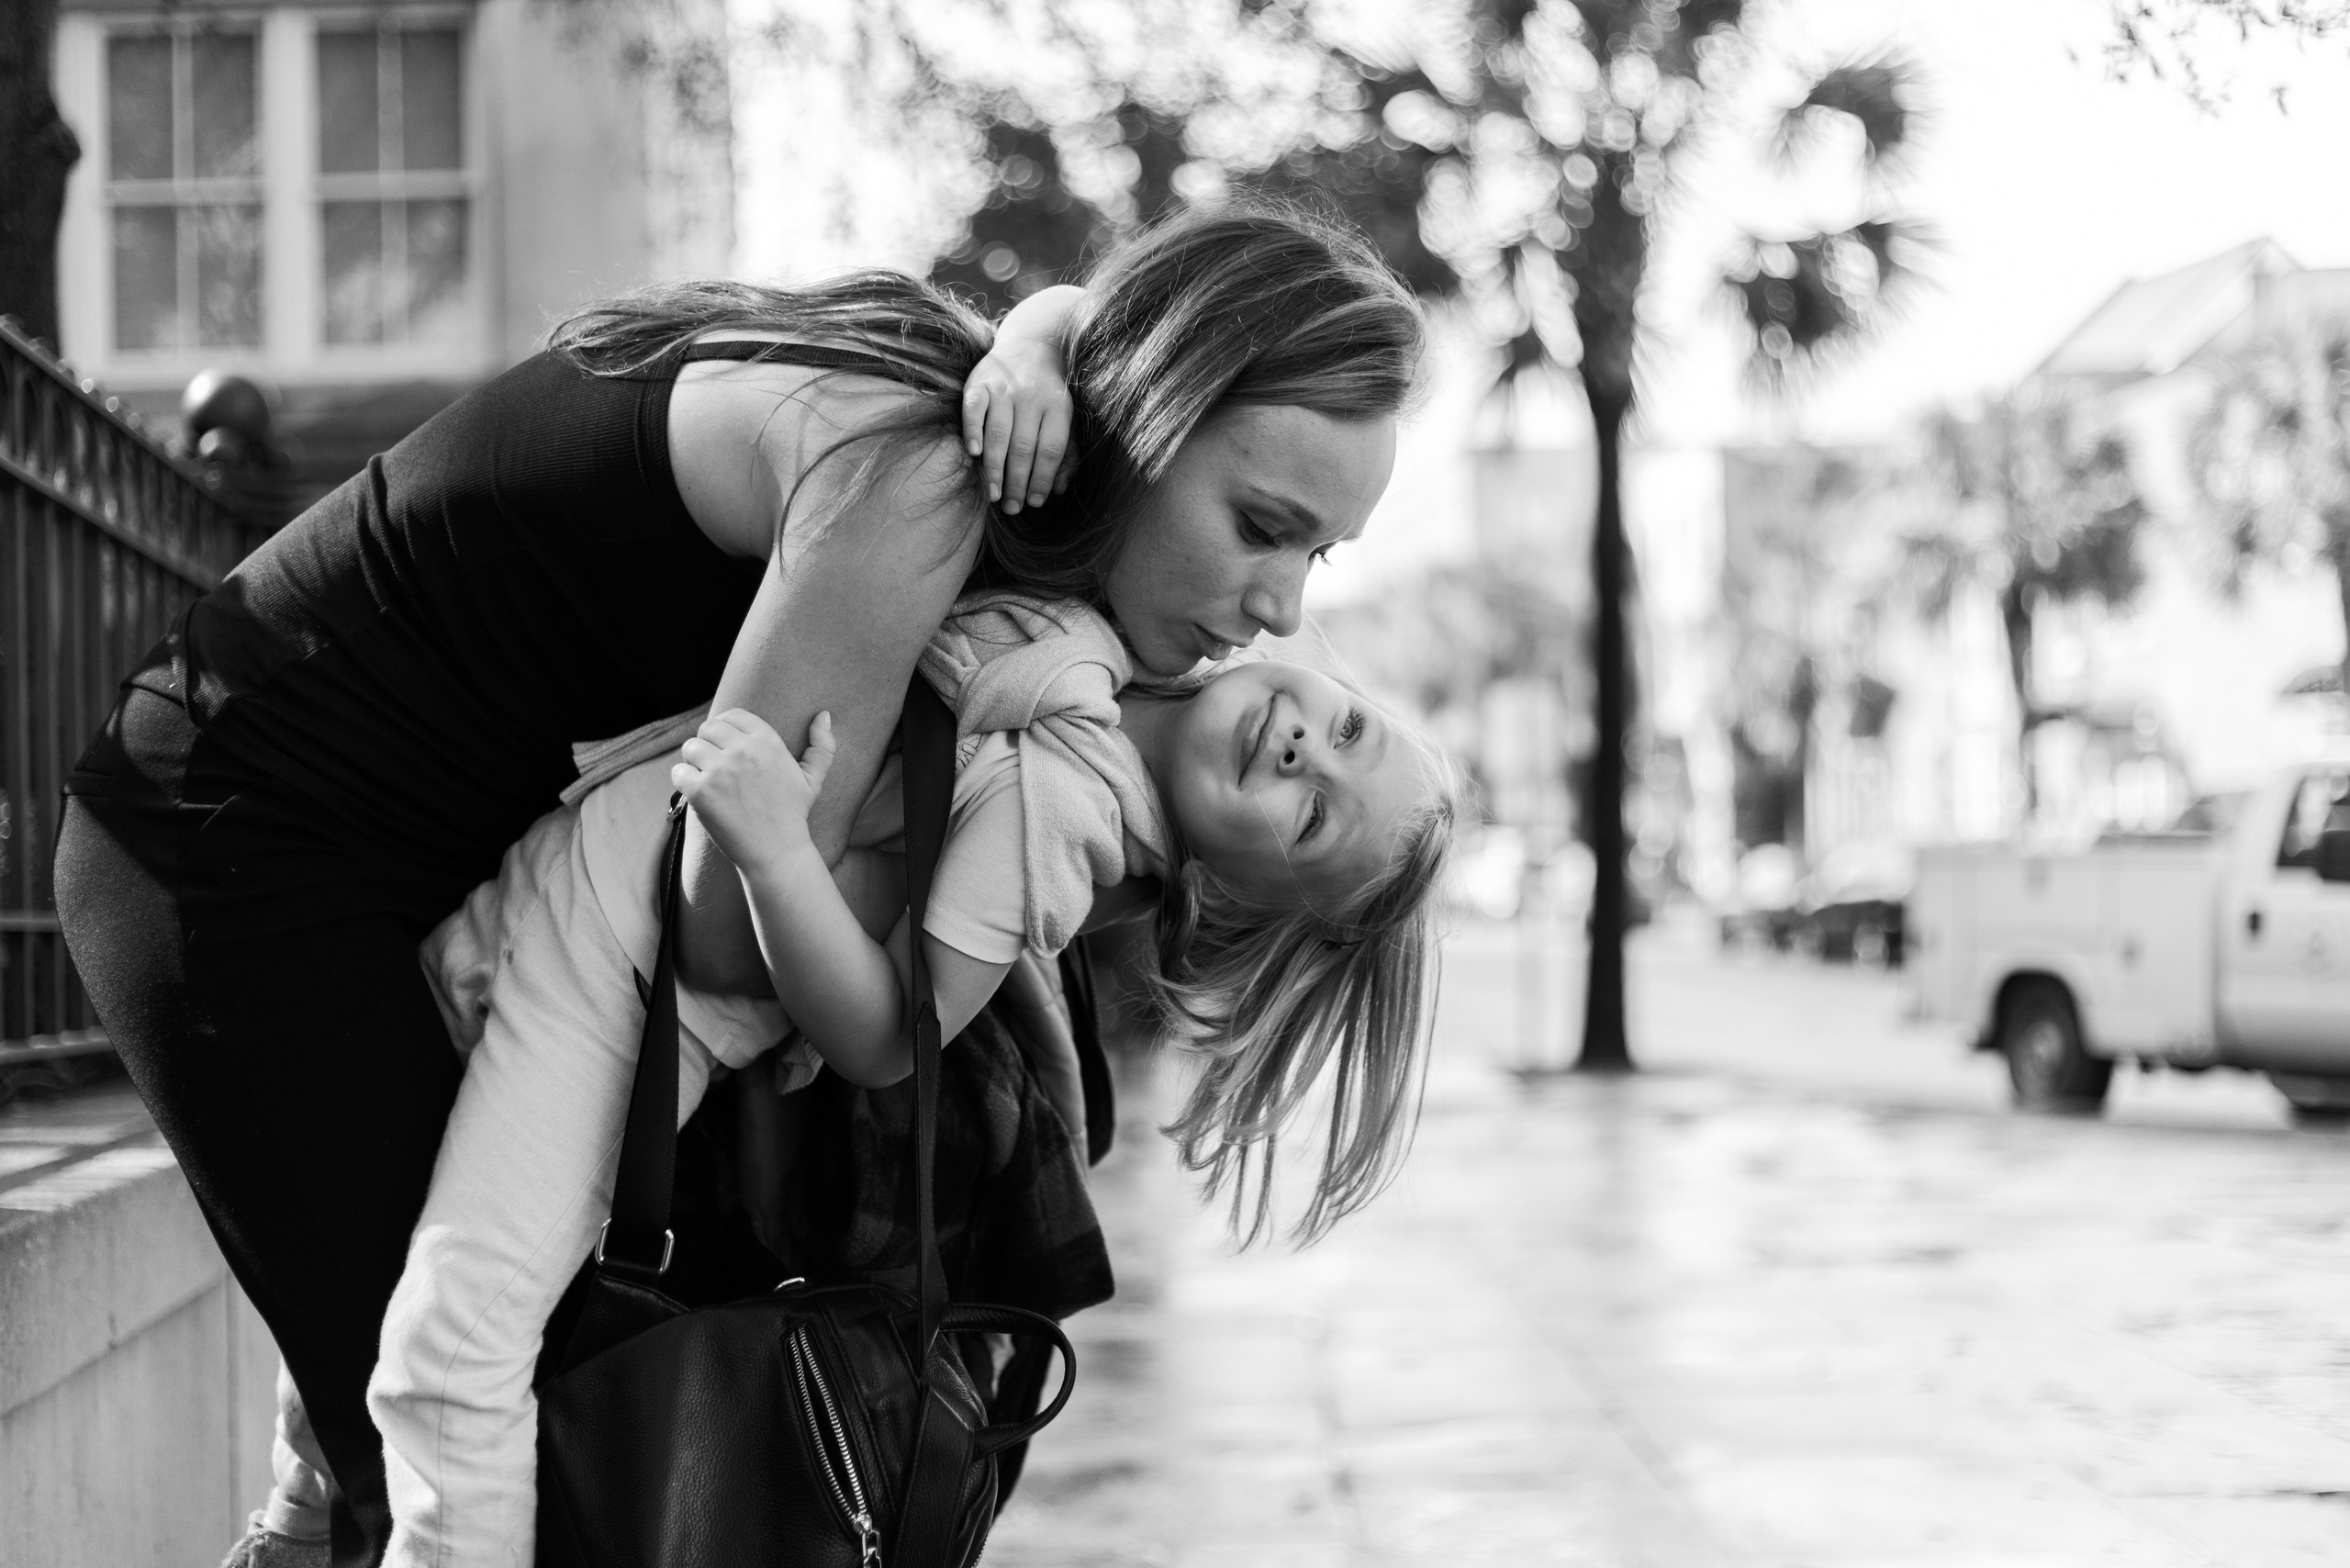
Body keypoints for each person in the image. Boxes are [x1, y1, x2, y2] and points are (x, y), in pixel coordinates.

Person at [51, 199, 1424, 1567]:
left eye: (1316, 553)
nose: (1282, 605)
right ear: (1153, 413)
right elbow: (713, 939)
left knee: (399, 1451)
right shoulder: (922, 482)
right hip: (238, 849)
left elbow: (1089, 325)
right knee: (446, 1435)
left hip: (413, 877)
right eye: (1261, 524)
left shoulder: (1016, 492)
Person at [362, 590, 1456, 1563]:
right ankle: (301, 1525)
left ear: (1255, 898)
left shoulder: (1066, 817)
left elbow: (889, 1035)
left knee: (449, 1356)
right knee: (378, 1271)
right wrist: (1026, 352)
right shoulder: (1134, 656)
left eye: (1313, 817)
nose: (1305, 749)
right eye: (1347, 726)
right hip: (567, 903)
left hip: (621, 964)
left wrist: (777, 850)